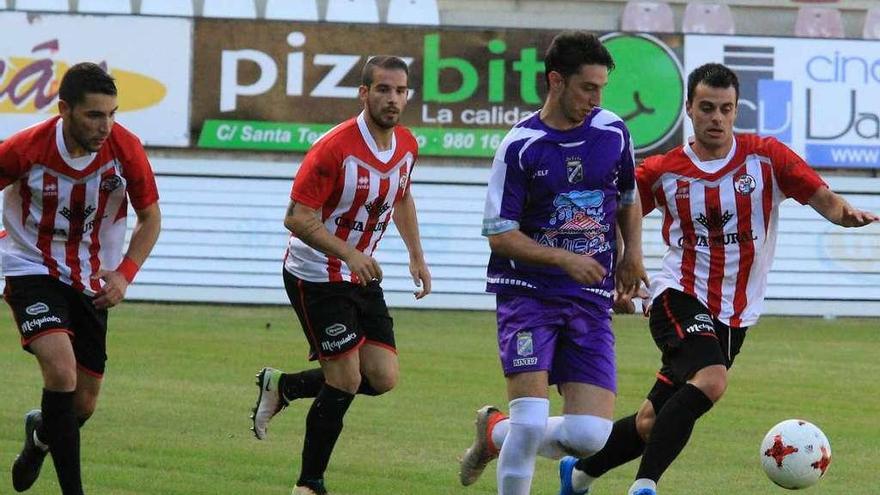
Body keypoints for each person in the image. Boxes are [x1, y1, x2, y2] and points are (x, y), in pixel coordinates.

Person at [556, 63, 879, 495]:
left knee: (652, 421)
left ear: (735, 111)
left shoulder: (766, 158)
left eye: (726, 109)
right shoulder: (664, 170)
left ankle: (579, 474)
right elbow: (616, 214)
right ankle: (644, 487)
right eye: (706, 108)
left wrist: (844, 215)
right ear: (689, 108)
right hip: (678, 294)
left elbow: (823, 198)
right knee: (712, 379)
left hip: (736, 314)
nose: (717, 118)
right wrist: (621, 264)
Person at [458, 31, 648, 495]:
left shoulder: (612, 131)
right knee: (530, 422)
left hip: (588, 297)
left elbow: (627, 196)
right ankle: (510, 432)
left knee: (589, 436)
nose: (596, 98)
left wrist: (632, 255)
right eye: (588, 87)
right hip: (529, 296)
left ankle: (492, 433)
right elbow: (499, 234)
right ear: (556, 82)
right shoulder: (521, 146)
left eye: (602, 88)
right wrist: (564, 258)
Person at [249, 55, 431, 495]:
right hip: (314, 274)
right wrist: (349, 253)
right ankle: (308, 484)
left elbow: (401, 197)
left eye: (400, 91)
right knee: (345, 379)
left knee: (383, 378)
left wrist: (416, 255)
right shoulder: (334, 148)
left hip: (359, 273)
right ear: (364, 93)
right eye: (383, 89)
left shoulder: (407, 144)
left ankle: (285, 386)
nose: (392, 99)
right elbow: (296, 217)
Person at [2, 62, 161, 494]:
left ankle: (40, 438)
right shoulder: (25, 148)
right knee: (61, 372)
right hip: (30, 264)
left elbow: (150, 219)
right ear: (64, 110)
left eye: (112, 114)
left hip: (91, 278)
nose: (105, 125)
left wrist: (125, 275)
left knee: (82, 403)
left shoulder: (125, 149)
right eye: (94, 115)